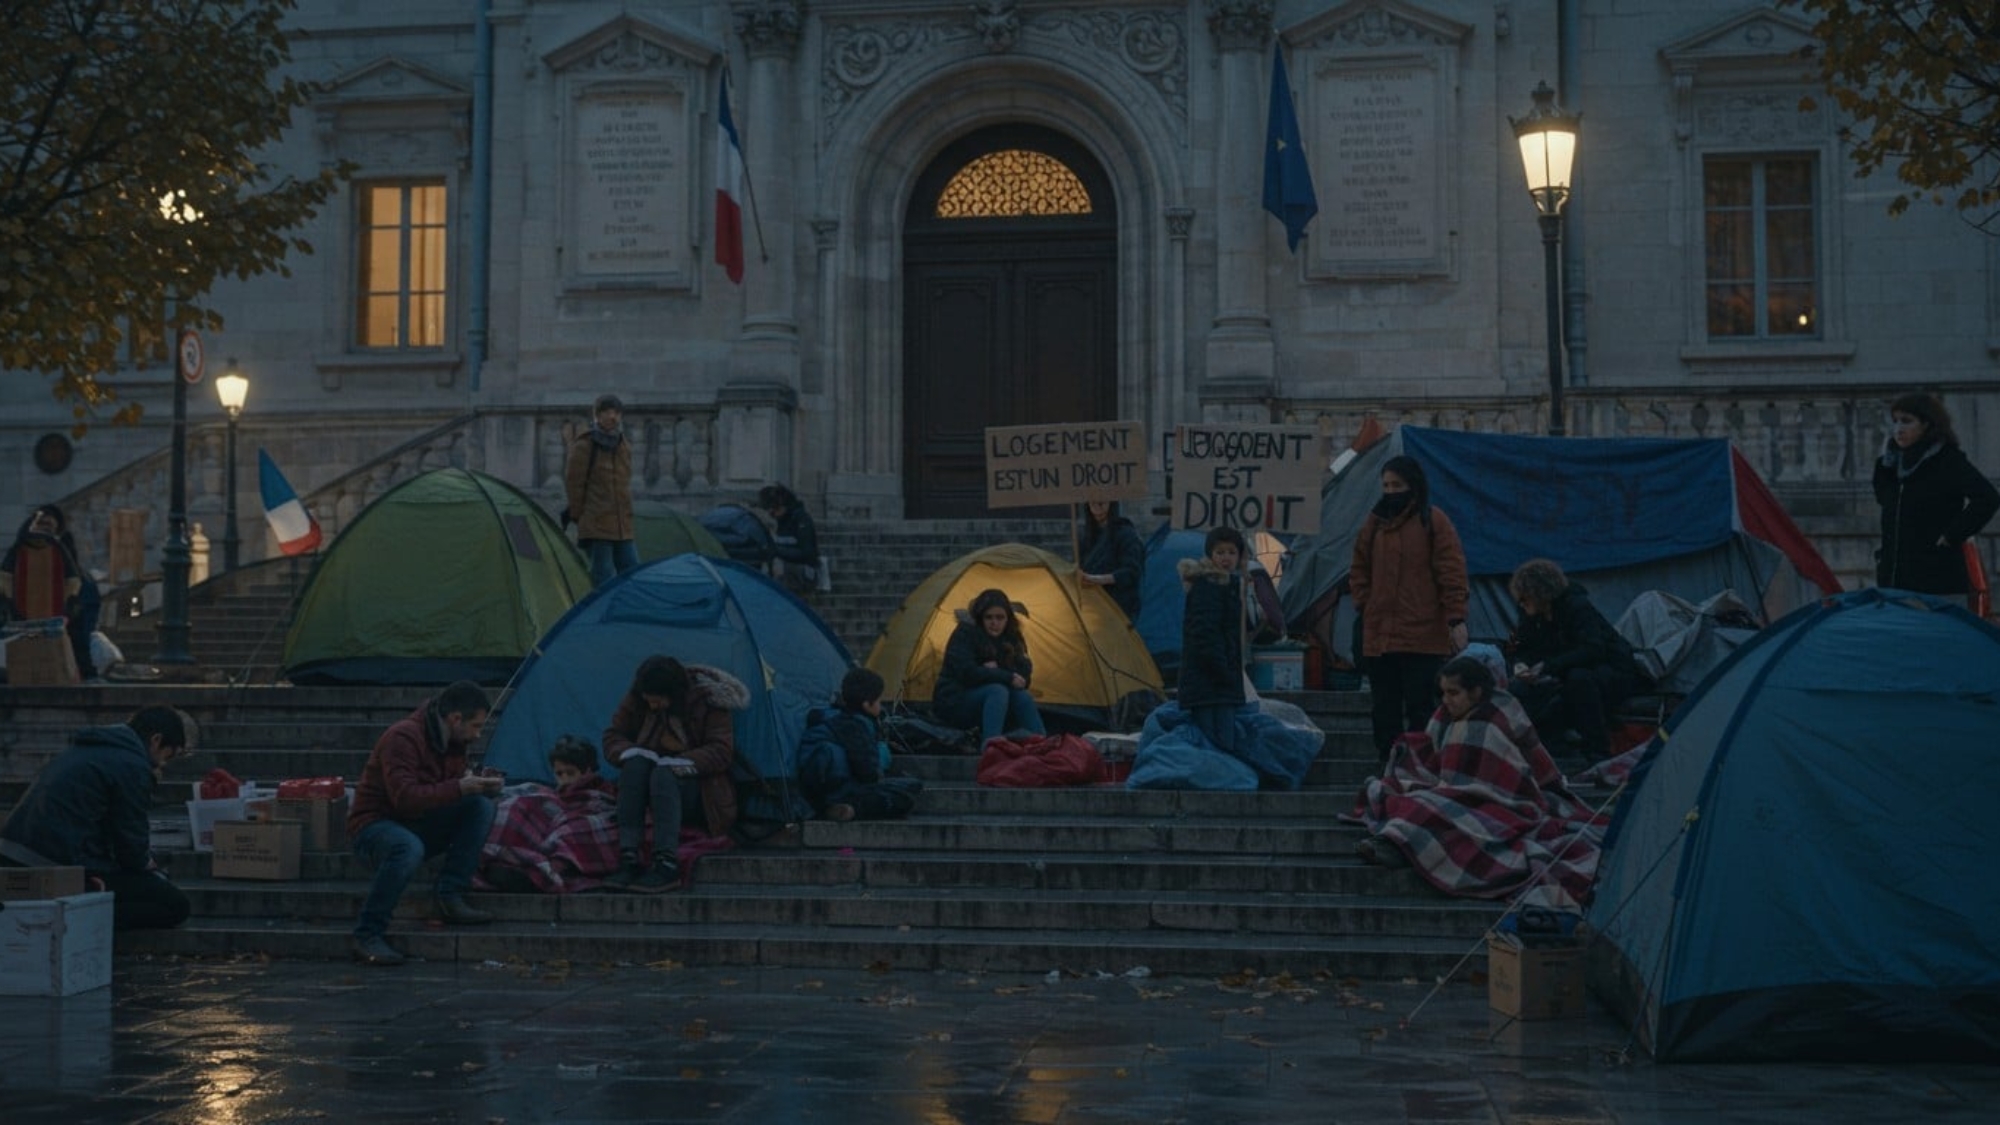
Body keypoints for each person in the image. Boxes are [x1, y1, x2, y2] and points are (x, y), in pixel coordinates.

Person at [347, 680, 504, 966]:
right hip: (376, 826)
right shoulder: (403, 737)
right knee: (408, 847)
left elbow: (443, 792)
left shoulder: (455, 742)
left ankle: (451, 894)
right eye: (476, 726)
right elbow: (404, 798)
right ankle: (368, 933)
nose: (478, 735)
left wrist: (478, 786)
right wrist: (460, 787)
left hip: (420, 823)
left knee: (480, 806)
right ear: (456, 718)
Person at [0, 705, 195, 930]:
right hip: (53, 862)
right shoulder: (132, 765)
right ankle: (76, 919)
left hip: (16, 851)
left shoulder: (89, 750)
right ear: (156, 740)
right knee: (175, 905)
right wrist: (146, 864)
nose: (162, 764)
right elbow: (130, 841)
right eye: (167, 756)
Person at [1349, 455, 1470, 767]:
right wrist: (1365, 603)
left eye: (1397, 485)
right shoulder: (1373, 523)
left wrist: (1456, 617)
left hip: (1422, 635)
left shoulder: (1433, 520)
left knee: (1421, 707)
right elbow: (1358, 567)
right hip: (1380, 635)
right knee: (1384, 709)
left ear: (1413, 485)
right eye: (1386, 485)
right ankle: (1387, 765)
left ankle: (1422, 766)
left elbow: (1451, 572)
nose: (1390, 491)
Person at [602, 655, 748, 893]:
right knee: (635, 765)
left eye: (658, 701)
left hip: (699, 792)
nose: (652, 707)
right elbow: (613, 736)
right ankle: (629, 856)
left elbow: (721, 751)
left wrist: (681, 761)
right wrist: (630, 752)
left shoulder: (708, 700)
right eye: (649, 701)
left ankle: (666, 863)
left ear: (673, 694)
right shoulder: (638, 696)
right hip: (649, 786)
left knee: (664, 774)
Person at [1505, 558, 1648, 762]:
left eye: (1525, 597)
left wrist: (1548, 666)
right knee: (1521, 689)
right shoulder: (1531, 615)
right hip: (1563, 670)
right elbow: (1523, 646)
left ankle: (1598, 750)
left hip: (1610, 671)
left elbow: (1592, 649)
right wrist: (1520, 664)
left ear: (1540, 594)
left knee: (1578, 680)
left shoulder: (1577, 607)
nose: (1521, 603)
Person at [1873, 392, 1999, 595]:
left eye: (1907, 421)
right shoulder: (1889, 463)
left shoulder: (1947, 461)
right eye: (1895, 421)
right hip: (1894, 582)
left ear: (1926, 424)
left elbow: (1987, 498)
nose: (1898, 429)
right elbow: (1885, 500)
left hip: (1937, 582)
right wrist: (1885, 466)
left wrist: (1952, 536)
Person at [478, 735, 623, 895]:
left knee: (570, 831)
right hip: (552, 823)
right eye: (559, 774)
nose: (565, 779)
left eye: (570, 773)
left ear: (587, 771)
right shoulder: (554, 794)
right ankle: (507, 861)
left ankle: (544, 872)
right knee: (516, 806)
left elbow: (599, 812)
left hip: (572, 826)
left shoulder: (600, 793)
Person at [798, 668, 924, 822]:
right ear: (867, 705)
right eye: (878, 700)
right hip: (841, 790)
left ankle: (842, 807)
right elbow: (869, 774)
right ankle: (851, 809)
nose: (880, 705)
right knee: (907, 794)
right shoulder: (857, 725)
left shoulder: (833, 718)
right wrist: (882, 752)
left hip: (819, 790)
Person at [934, 588, 1046, 743]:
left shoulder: (1012, 636)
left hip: (996, 704)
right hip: (955, 701)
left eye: (1000, 618)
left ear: (1007, 619)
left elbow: (1024, 675)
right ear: (981, 618)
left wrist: (998, 671)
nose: (995, 623)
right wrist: (1005, 676)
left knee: (1021, 695)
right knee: (997, 690)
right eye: (989, 618)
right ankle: (991, 747)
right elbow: (967, 673)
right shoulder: (965, 634)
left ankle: (1043, 743)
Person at [1, 503, 100, 680]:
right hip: (25, 605)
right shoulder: (20, 547)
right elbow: (6, 577)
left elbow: (73, 578)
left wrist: (71, 601)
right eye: (41, 524)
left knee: (75, 637)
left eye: (48, 525)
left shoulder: (61, 547)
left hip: (57, 605)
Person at [1177, 526, 1249, 755]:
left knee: (1220, 746)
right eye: (1220, 552)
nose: (1226, 558)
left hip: (1217, 682)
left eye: (1231, 552)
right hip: (1210, 682)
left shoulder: (1228, 585)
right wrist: (1225, 672)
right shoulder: (1208, 586)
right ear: (1211, 555)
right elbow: (1205, 636)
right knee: (1217, 746)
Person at [564, 393, 637, 587]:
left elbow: (625, 482)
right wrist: (579, 515)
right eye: (607, 412)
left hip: (623, 526)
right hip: (597, 524)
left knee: (632, 575)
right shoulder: (585, 444)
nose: (612, 417)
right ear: (597, 416)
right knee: (602, 578)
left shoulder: (624, 445)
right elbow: (574, 483)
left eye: (616, 413)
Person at [1078, 500, 1145, 619]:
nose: (1098, 509)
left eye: (1102, 502)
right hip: (1093, 607)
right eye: (1092, 503)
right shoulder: (1087, 537)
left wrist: (1099, 579)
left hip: (1119, 608)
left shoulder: (1126, 534)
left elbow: (1132, 572)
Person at [758, 484, 821, 595]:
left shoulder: (801, 520)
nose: (772, 515)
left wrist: (777, 551)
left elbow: (808, 554)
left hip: (802, 573)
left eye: (774, 510)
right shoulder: (781, 522)